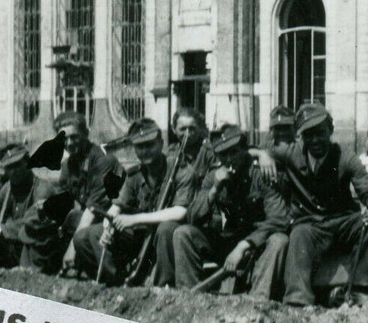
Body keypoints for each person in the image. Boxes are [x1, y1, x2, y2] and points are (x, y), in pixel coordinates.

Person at [269, 103, 368, 307]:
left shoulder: (345, 157)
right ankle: (298, 300)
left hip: (343, 223)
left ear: (330, 131)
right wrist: (262, 156)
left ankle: (359, 289)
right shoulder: (292, 154)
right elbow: (255, 150)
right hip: (312, 227)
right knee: (298, 234)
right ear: (301, 136)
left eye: (320, 134)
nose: (315, 141)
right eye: (308, 135)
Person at [73, 118, 193, 287]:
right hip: (140, 235)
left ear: (161, 143)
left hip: (166, 234)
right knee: (84, 237)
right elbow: (117, 206)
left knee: (166, 229)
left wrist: (135, 219)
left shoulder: (179, 169)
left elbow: (181, 211)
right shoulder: (135, 174)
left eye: (150, 145)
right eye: (140, 147)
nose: (145, 151)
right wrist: (108, 227)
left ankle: (162, 287)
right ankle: (115, 283)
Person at [174, 124, 290, 295]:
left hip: (259, 243)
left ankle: (258, 300)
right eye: (222, 154)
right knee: (183, 233)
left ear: (245, 150)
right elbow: (192, 217)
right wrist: (214, 191)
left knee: (279, 240)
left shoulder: (260, 173)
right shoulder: (214, 175)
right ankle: (189, 299)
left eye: (234, 152)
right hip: (228, 241)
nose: (229, 159)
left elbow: (279, 219)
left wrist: (244, 246)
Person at [42, 111, 127, 274]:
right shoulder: (69, 164)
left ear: (86, 134)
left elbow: (95, 208)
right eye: (64, 138)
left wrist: (71, 249)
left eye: (74, 137)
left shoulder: (102, 160)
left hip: (113, 219)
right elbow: (66, 199)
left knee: (83, 234)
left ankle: (108, 277)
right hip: (91, 217)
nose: (69, 143)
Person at [0, 144, 63, 272]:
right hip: (18, 246)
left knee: (31, 233)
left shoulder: (42, 188)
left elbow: (34, 224)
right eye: (9, 167)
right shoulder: (9, 187)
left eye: (17, 165)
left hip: (41, 254)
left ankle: (30, 272)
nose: (13, 171)